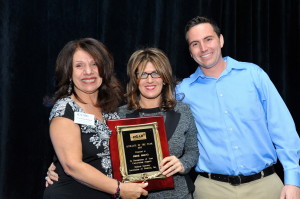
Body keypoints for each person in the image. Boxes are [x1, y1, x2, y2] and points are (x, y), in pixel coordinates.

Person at [46, 47, 199, 199]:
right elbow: (82, 154)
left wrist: (182, 164)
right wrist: (60, 164)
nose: (150, 80)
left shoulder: (183, 111)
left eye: (156, 73)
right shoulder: (119, 114)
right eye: (143, 74)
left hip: (177, 194)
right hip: (130, 195)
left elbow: (193, 150)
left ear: (165, 77)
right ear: (134, 79)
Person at [176, 16, 300, 199]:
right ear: (190, 51)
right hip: (211, 190)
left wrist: (293, 180)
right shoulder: (183, 91)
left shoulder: (253, 75)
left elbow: (283, 128)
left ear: (221, 40)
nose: (203, 48)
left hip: (266, 186)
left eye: (208, 39)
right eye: (195, 43)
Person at [43, 38, 148, 199]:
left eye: (94, 64)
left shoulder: (113, 107)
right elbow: (72, 165)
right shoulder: (65, 110)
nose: (88, 71)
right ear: (68, 73)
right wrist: (119, 189)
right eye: (79, 66)